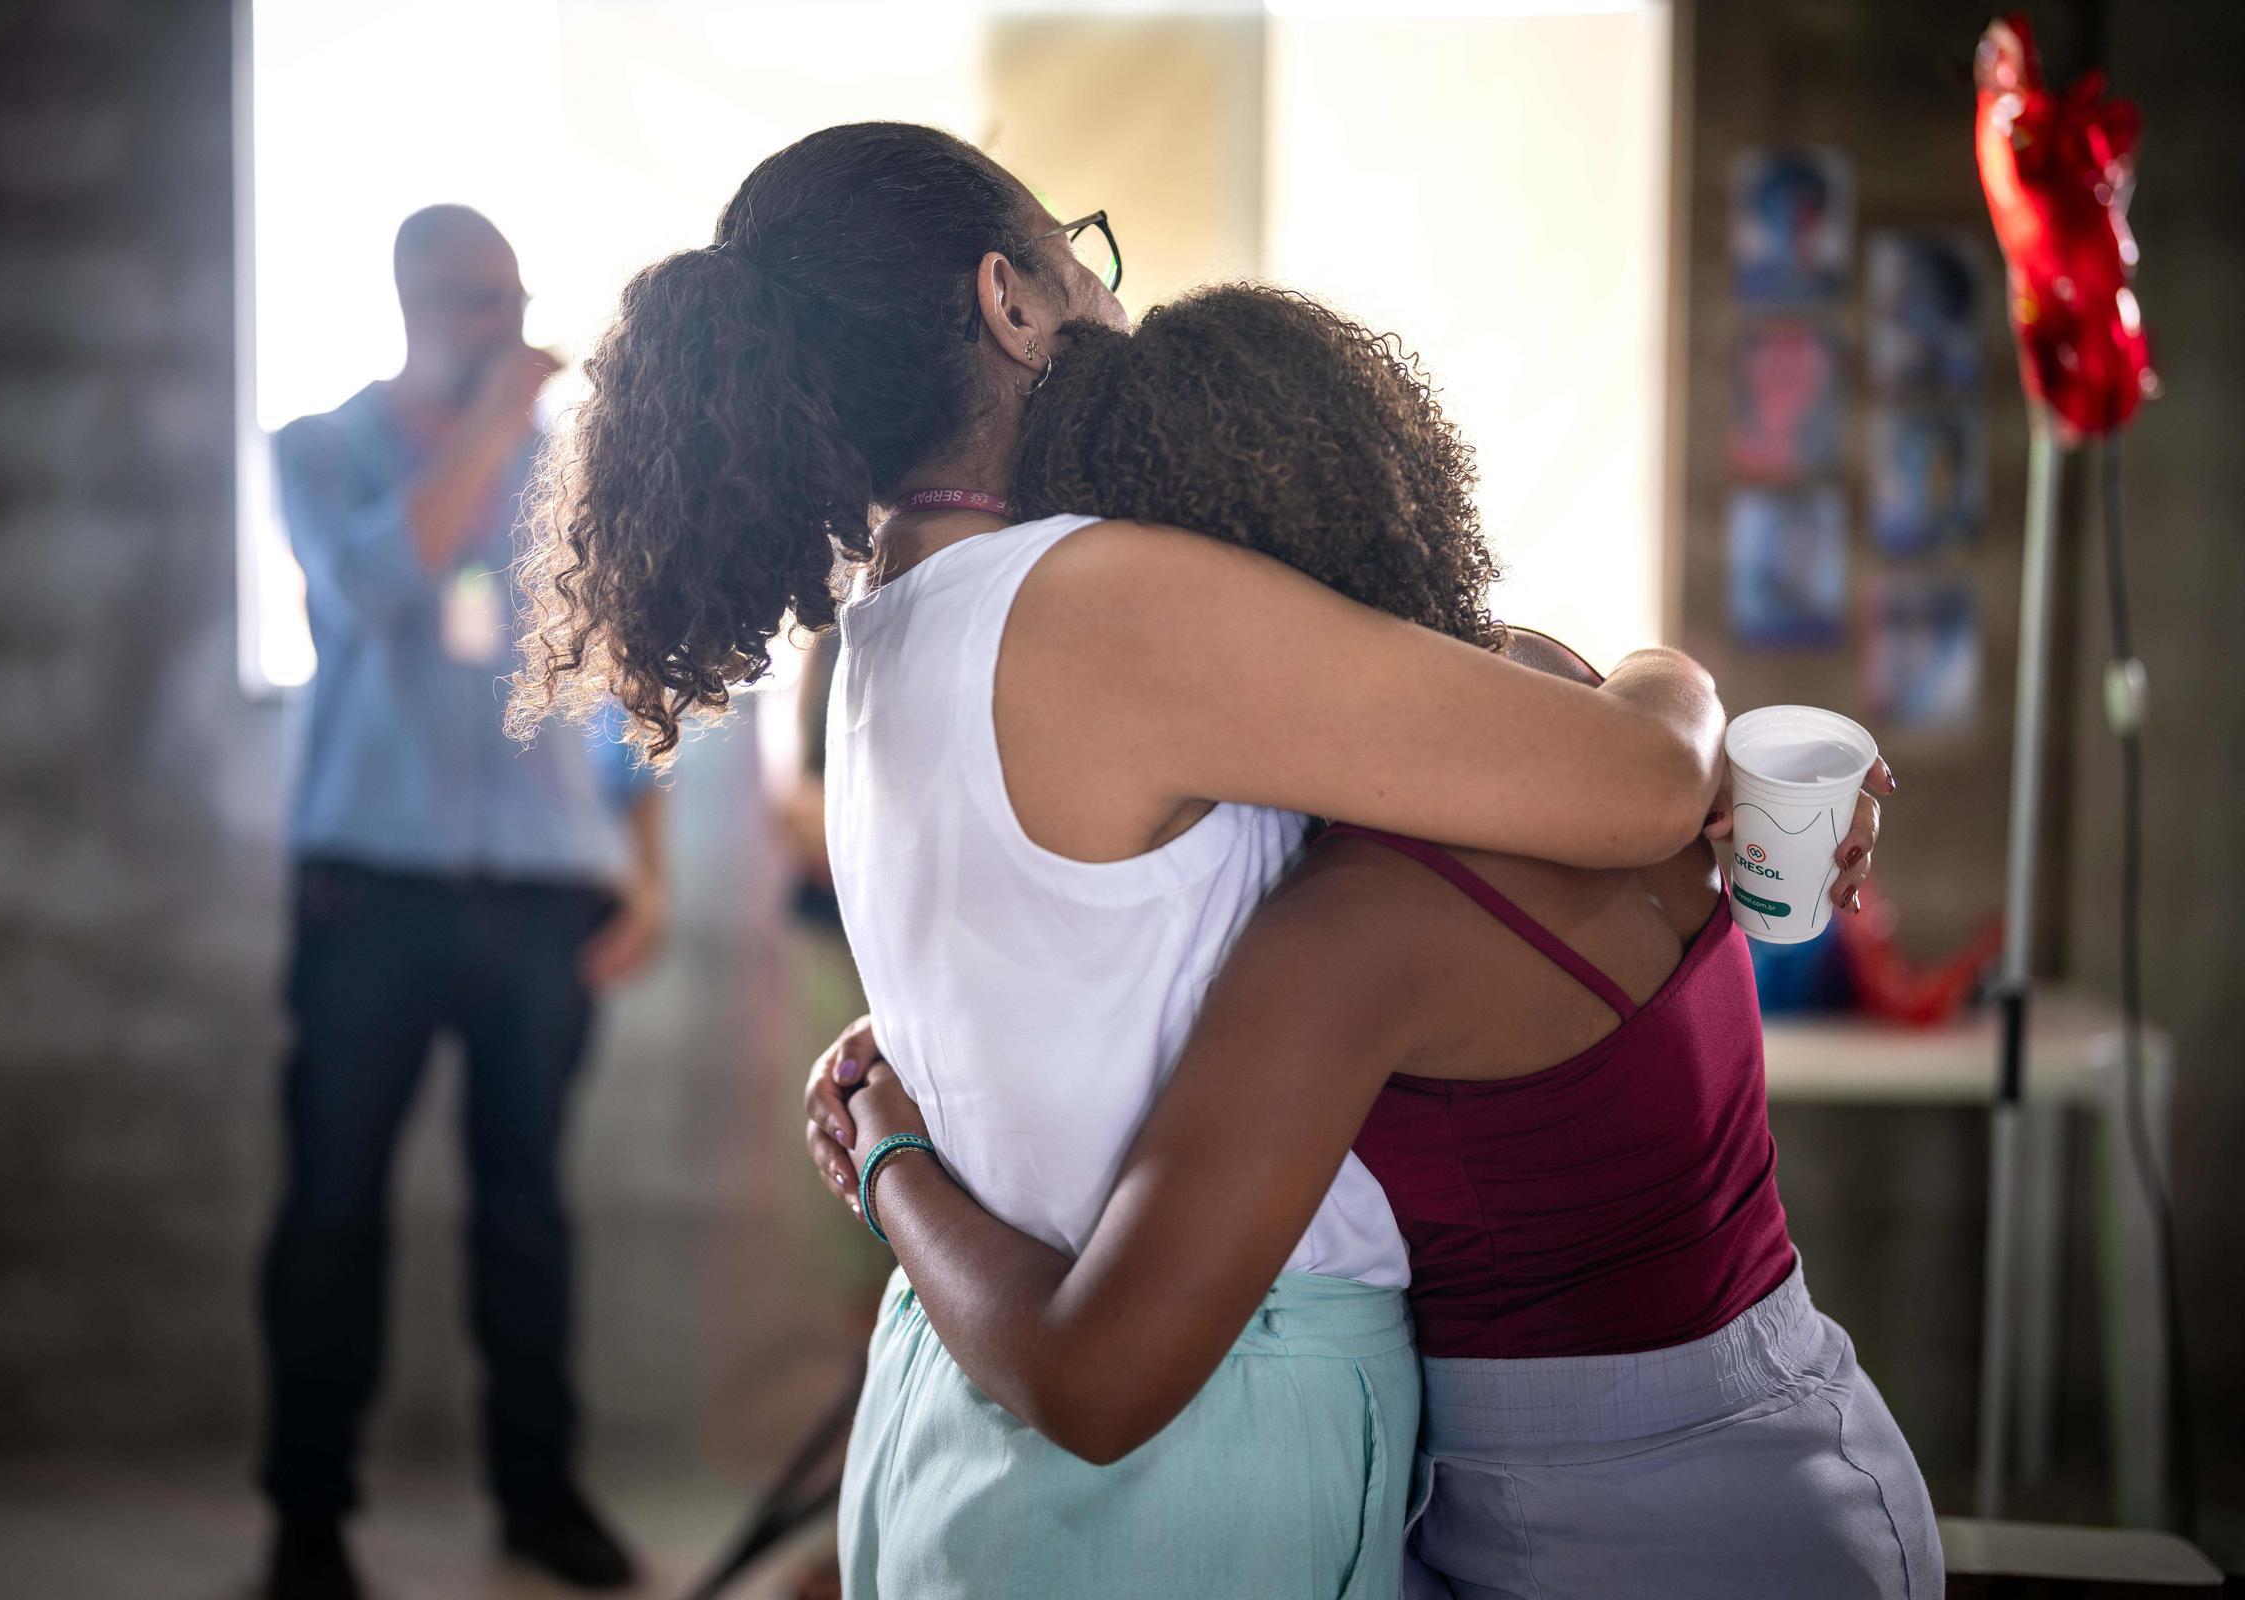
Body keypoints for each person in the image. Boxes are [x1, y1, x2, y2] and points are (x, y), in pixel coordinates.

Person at [510, 123, 1731, 1598]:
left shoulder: (886, 633)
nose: (1113, 299)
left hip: (960, 1409)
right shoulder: (1099, 607)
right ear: (1009, 302)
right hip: (1189, 1455)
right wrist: (1675, 674)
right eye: (1079, 256)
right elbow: (1648, 783)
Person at [801, 287, 1937, 1598]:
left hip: (1613, 1539)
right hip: (1811, 1445)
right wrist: (1686, 691)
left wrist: (884, 1145)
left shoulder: (1356, 931)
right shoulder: (1564, 699)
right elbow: (1655, 696)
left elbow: (1092, 1376)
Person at [258, 205, 664, 1600]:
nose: (495, 323)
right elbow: (372, 586)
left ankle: (540, 1499)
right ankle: (308, 1522)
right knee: (332, 1207)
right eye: (465, 298)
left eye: (507, 298)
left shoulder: (567, 478)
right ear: (407, 297)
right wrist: (492, 428)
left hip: (543, 898)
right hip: (370, 891)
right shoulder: (318, 452)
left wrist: (645, 874)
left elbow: (618, 696)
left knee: (528, 1213)